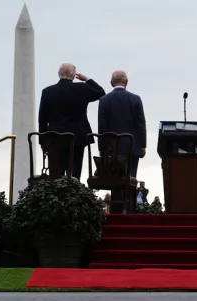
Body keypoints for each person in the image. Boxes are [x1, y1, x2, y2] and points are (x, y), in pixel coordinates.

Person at [38, 63, 105, 180]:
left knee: (55, 174)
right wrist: (87, 79)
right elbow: (100, 92)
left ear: (59, 74)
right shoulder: (81, 89)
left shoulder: (47, 91)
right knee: (74, 173)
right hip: (77, 138)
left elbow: (42, 118)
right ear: (73, 75)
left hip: (54, 138)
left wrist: (43, 141)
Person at [97, 70, 147, 213]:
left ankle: (116, 210)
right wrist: (142, 145)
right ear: (126, 82)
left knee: (115, 179)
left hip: (112, 148)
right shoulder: (136, 99)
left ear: (112, 82)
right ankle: (130, 210)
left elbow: (102, 126)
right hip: (132, 146)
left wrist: (102, 148)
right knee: (131, 179)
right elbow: (140, 124)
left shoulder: (104, 100)